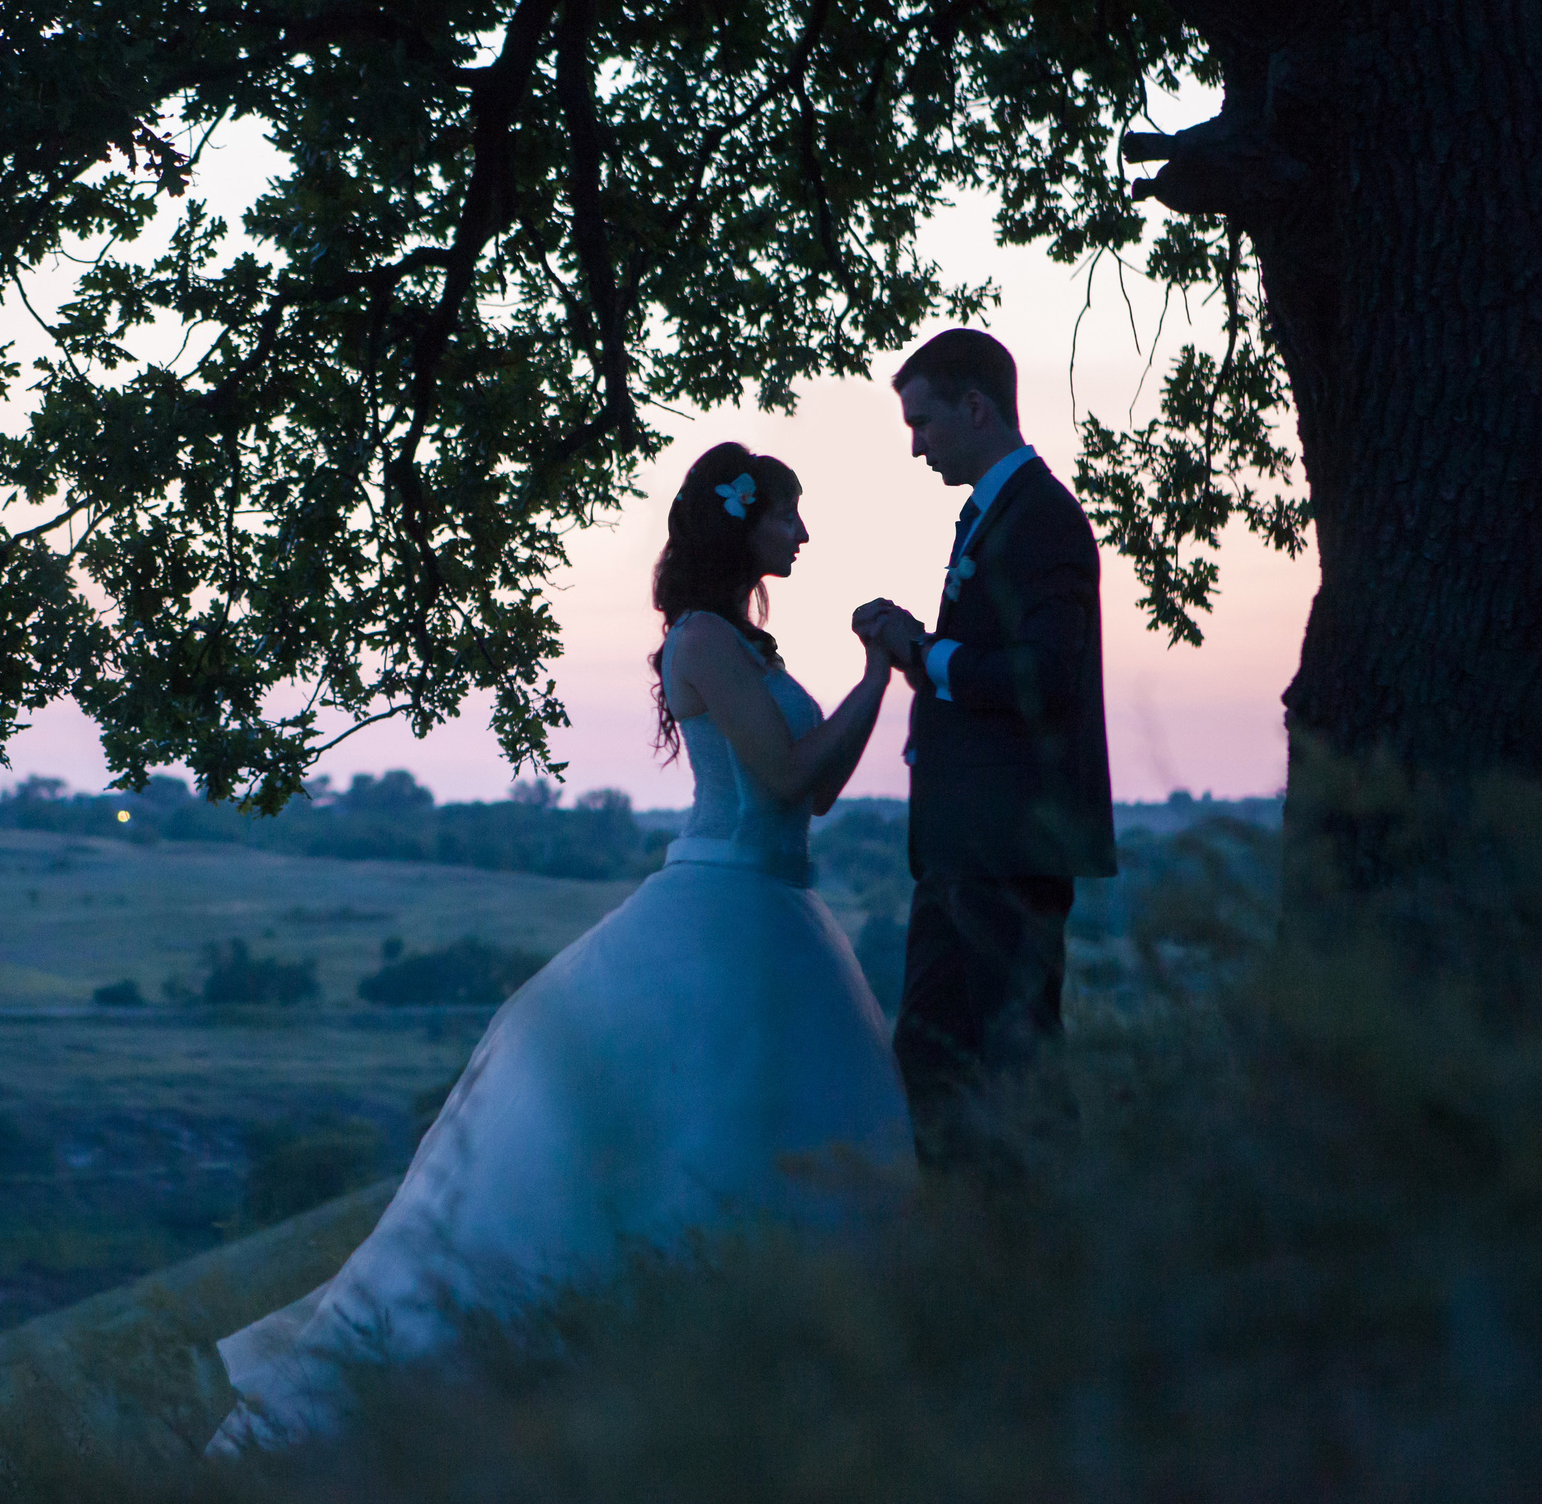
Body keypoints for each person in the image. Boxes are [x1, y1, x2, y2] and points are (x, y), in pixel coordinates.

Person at [208, 443, 914, 1454]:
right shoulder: (707, 640)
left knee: (761, 1127)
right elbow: (795, 776)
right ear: (742, 525)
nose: (802, 535)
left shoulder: (754, 648)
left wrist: (867, 689)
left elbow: (818, 786)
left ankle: (768, 1359)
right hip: (725, 906)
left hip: (775, 903)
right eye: (786, 517)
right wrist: (879, 673)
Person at [853, 328, 1118, 1172]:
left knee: (1016, 1067)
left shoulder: (1041, 518)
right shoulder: (996, 514)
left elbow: (1045, 677)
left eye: (923, 422)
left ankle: (1046, 1263)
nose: (916, 445)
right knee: (931, 1062)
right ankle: (967, 1259)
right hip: (965, 849)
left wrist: (923, 653)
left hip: (1009, 847)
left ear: (977, 406)